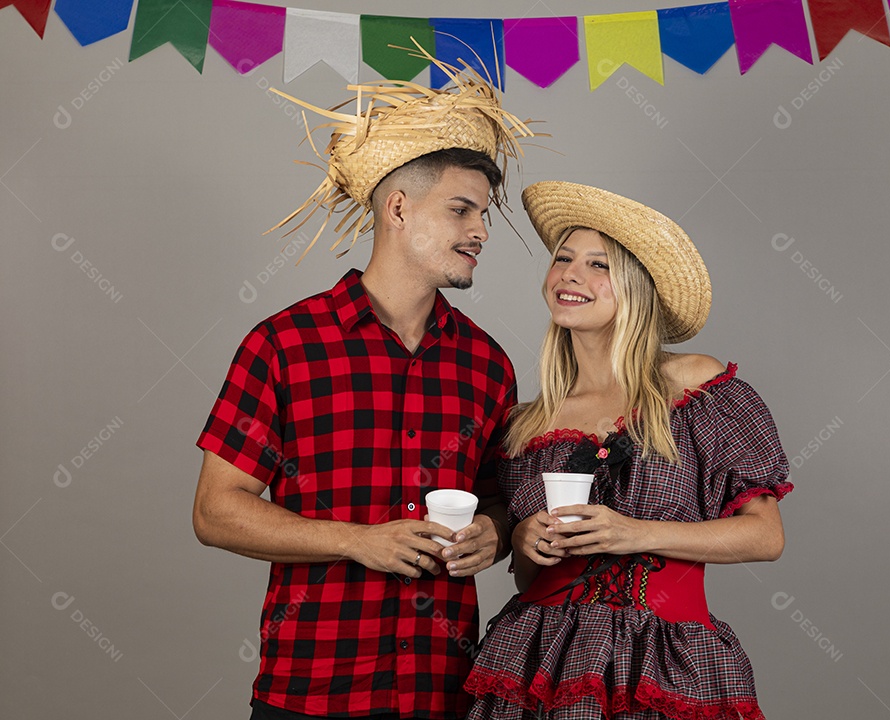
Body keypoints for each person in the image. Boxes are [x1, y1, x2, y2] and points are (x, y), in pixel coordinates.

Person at [192, 55, 534, 720]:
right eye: (462, 210)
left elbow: (500, 500)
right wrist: (355, 539)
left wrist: (493, 534)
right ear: (399, 207)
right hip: (312, 692)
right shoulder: (285, 345)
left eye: (484, 214)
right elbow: (215, 512)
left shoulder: (487, 364)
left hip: (446, 694)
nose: (481, 232)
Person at [464, 182, 793, 720]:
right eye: (563, 258)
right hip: (536, 656)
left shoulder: (692, 386)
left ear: (637, 287)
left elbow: (766, 536)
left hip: (664, 655)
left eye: (599, 265)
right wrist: (525, 540)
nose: (571, 274)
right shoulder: (527, 424)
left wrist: (634, 533)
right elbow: (529, 579)